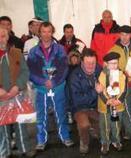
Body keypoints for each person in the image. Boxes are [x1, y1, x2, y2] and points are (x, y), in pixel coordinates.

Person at [27, 22, 74, 151]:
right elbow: (30, 71)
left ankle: (64, 136)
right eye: (44, 31)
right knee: (42, 116)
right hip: (41, 89)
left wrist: (54, 82)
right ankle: (42, 140)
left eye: (49, 31)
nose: (46, 34)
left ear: (52, 32)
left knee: (61, 113)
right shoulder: (33, 51)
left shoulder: (59, 49)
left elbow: (64, 68)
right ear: (39, 33)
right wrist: (43, 81)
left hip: (58, 87)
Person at [0, 27, 35, 158]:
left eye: (3, 36)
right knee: (1, 126)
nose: (0, 39)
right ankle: (5, 152)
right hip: (0, 97)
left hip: (17, 94)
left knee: (20, 123)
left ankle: (24, 149)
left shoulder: (17, 52)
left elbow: (25, 71)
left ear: (8, 37)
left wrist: (17, 87)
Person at [69, 48, 102, 154]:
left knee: (104, 126)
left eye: (93, 63)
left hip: (95, 107)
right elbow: (77, 100)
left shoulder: (99, 70)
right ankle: (84, 142)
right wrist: (95, 92)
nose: (91, 66)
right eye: (88, 63)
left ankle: (94, 128)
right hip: (80, 108)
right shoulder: (74, 75)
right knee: (84, 125)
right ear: (82, 62)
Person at [97, 52, 127, 154]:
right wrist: (107, 100)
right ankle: (105, 142)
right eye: (111, 63)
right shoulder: (103, 74)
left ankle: (116, 141)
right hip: (105, 105)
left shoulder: (121, 74)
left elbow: (124, 89)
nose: (114, 65)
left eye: (116, 63)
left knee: (117, 124)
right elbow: (101, 90)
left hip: (118, 104)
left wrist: (119, 99)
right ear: (106, 64)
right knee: (105, 125)